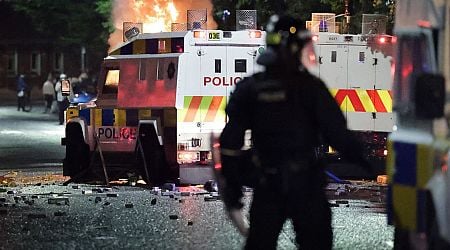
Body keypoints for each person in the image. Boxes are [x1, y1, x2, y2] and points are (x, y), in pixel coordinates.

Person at [219, 15, 373, 250]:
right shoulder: (310, 88)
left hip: (267, 185)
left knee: (260, 244)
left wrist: (233, 188)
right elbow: (337, 134)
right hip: (306, 185)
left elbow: (230, 143)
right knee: (316, 243)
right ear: (293, 47)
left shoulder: (250, 89)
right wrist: (366, 161)